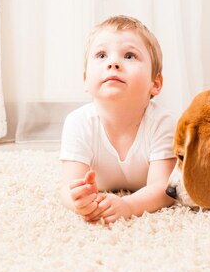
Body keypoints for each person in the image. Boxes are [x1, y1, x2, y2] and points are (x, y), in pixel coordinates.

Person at [59, 15, 177, 225]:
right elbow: (68, 187)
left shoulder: (162, 122)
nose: (113, 63)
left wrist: (129, 206)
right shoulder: (78, 123)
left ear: (155, 83)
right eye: (102, 55)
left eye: (130, 56)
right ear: (86, 80)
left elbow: (164, 190)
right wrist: (79, 201)